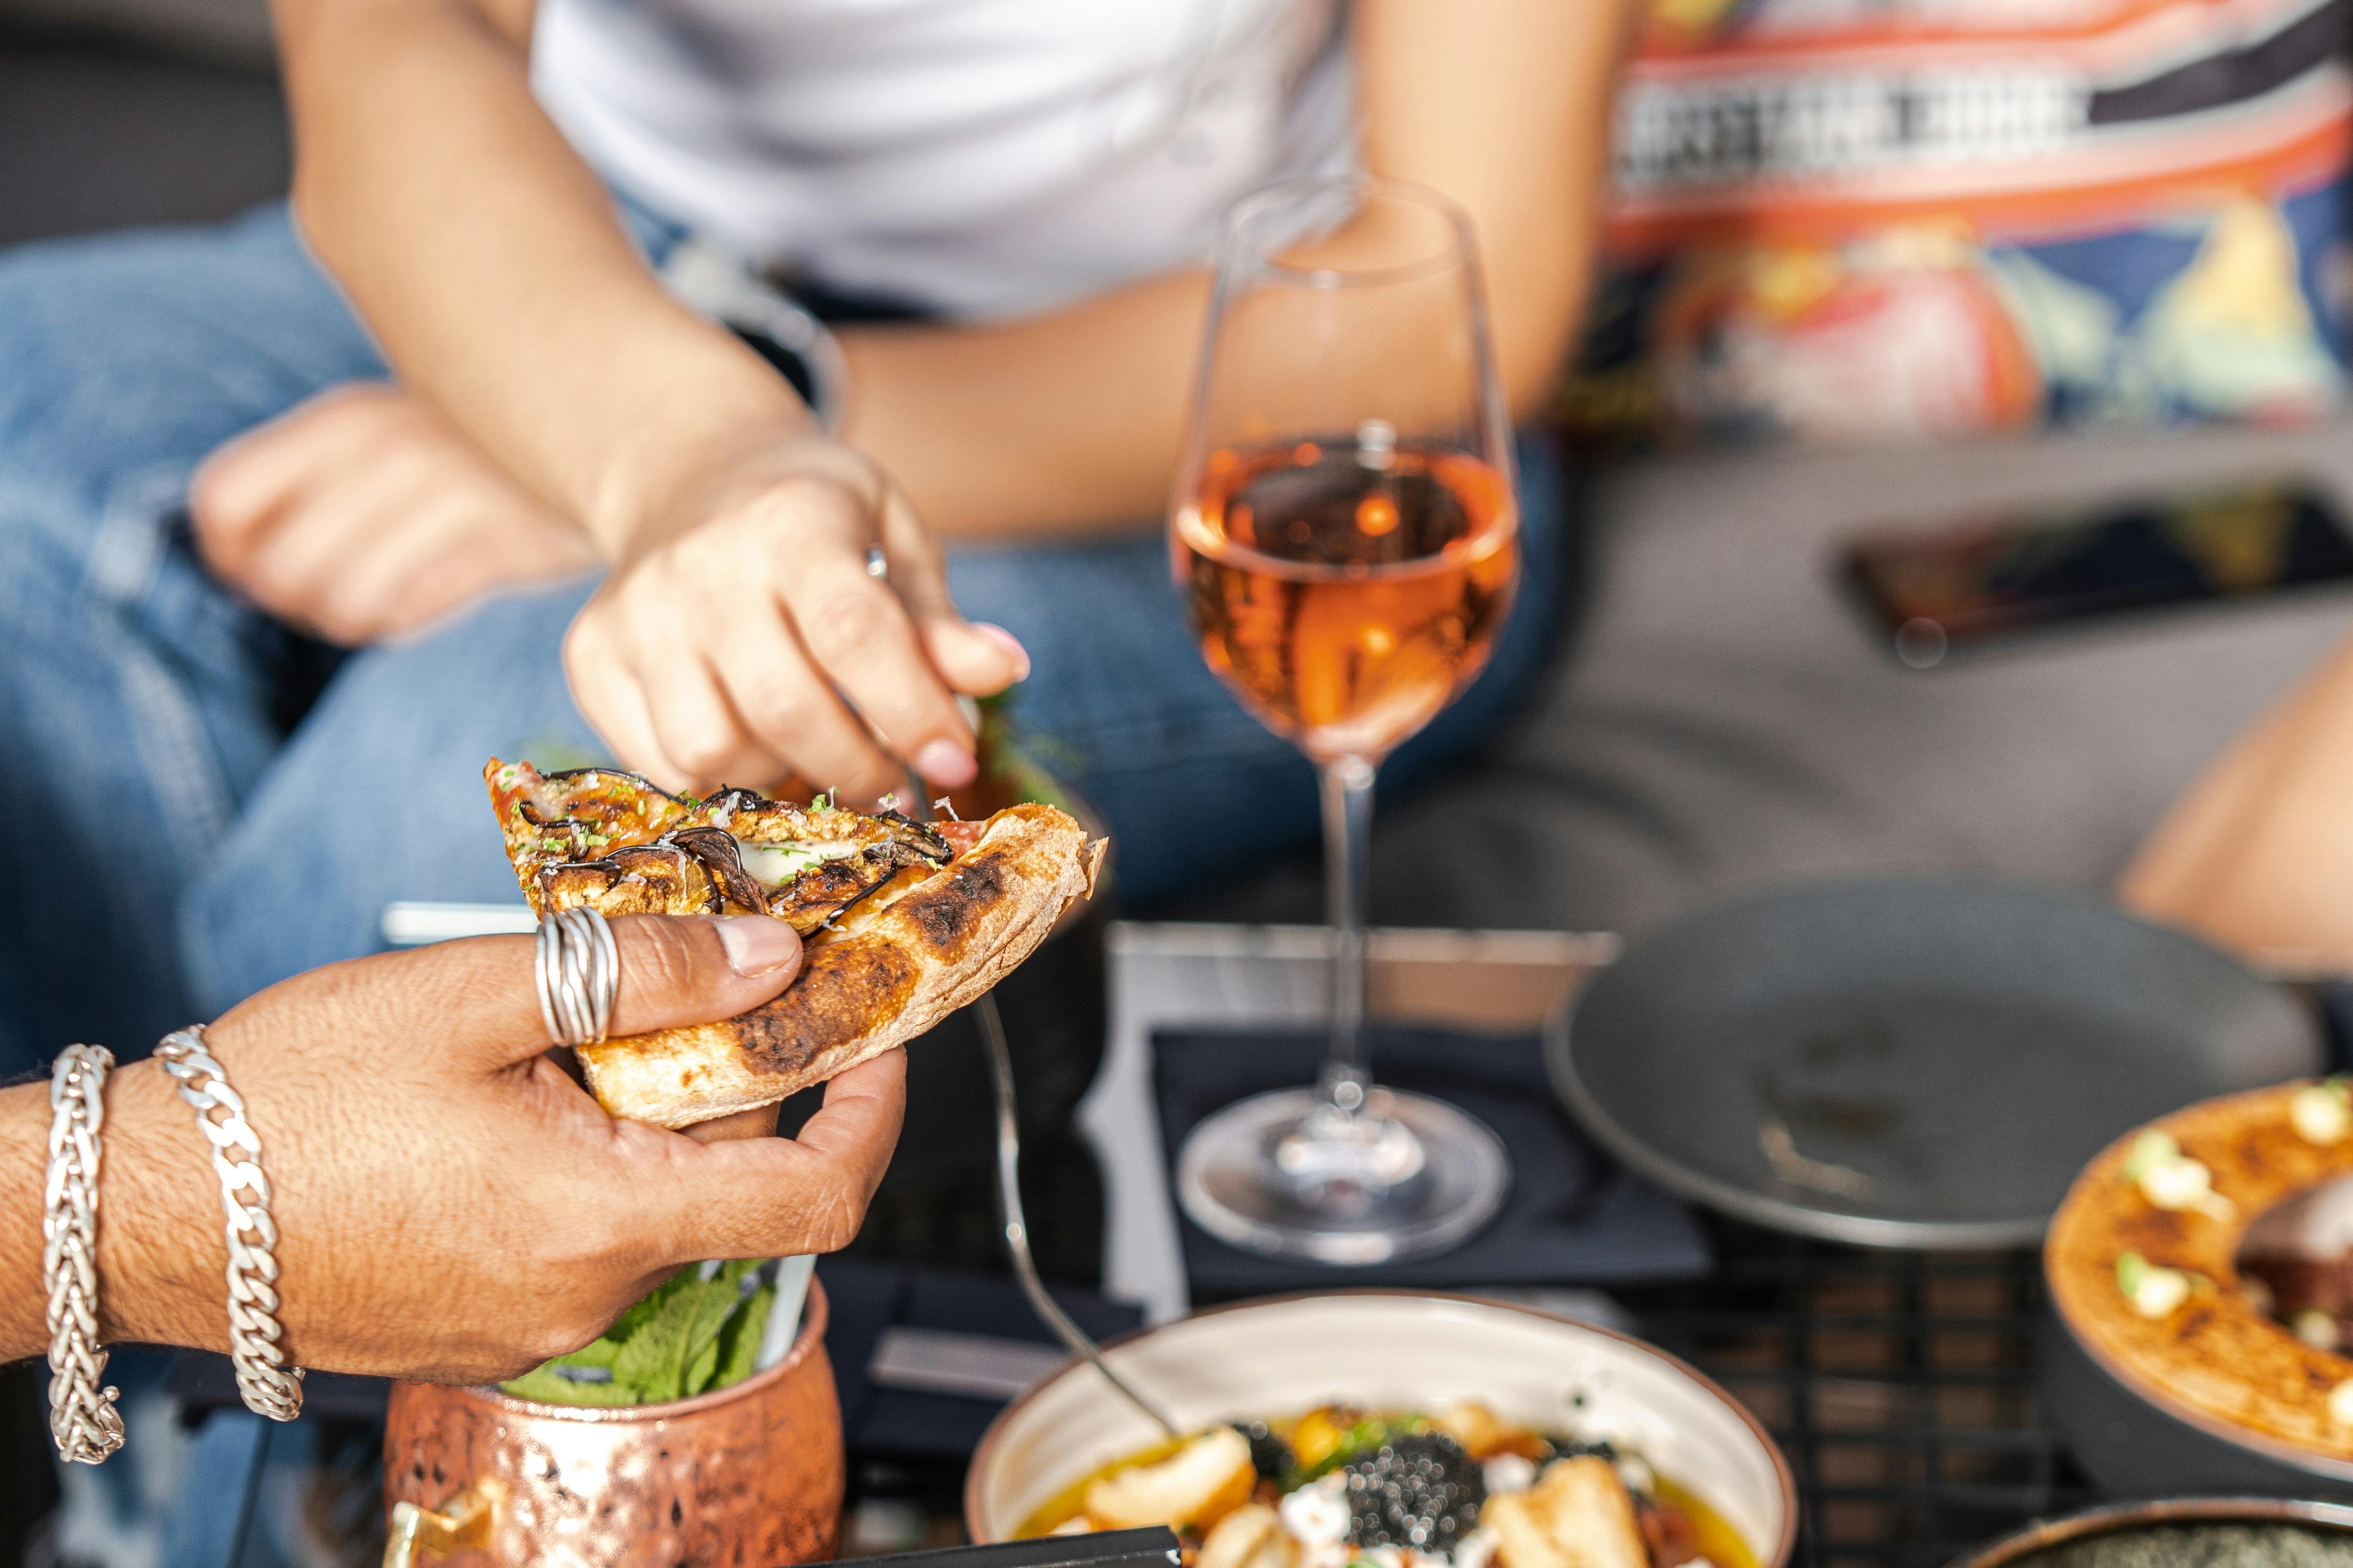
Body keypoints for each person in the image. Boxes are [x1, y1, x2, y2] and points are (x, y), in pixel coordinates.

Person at [0, 0, 1632, 1082]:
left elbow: (1467, 299)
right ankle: (176, 1417)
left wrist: (705, 435)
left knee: (439, 798)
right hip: (594, 249)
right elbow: (391, 48)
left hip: (1229, 381)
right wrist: (639, 427)